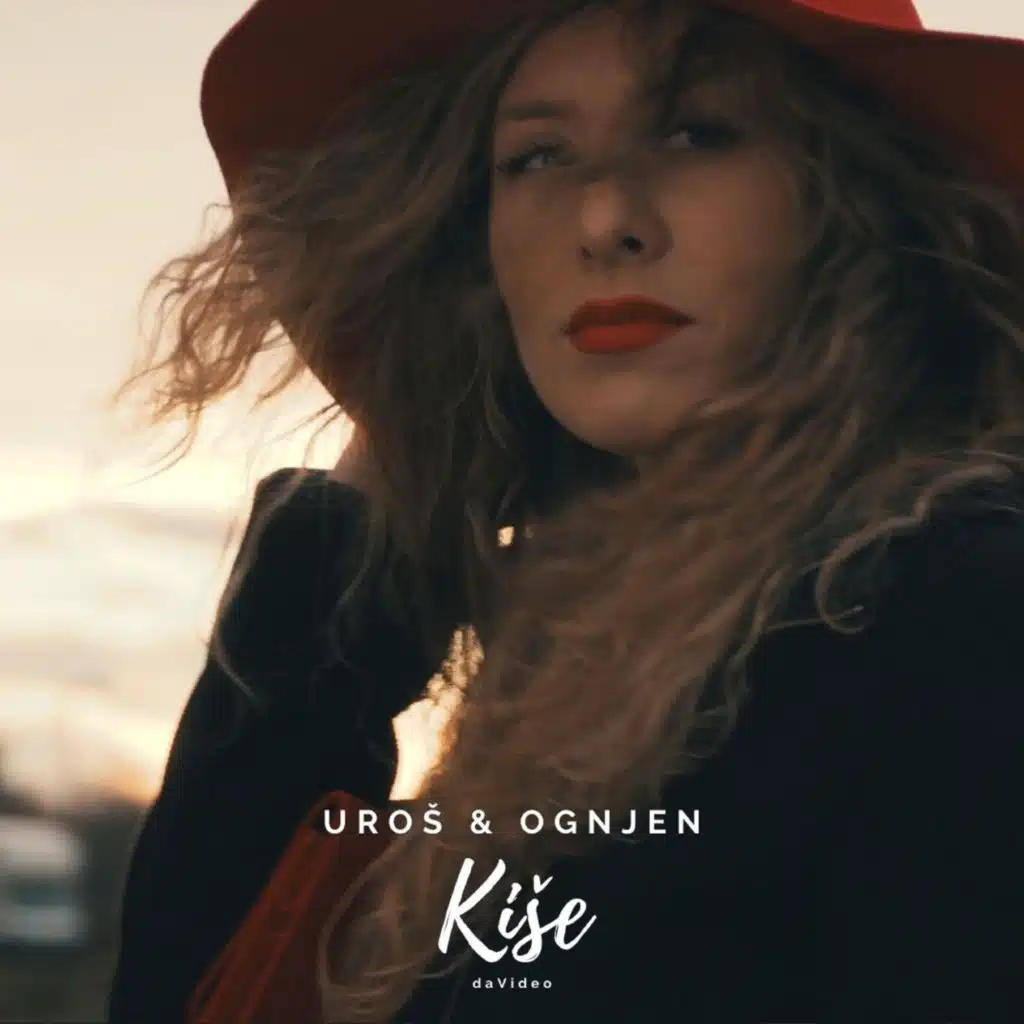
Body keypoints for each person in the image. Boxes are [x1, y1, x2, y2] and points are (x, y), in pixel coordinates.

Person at [106, 0, 1024, 1020]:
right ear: (471, 251)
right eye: (537, 158)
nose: (603, 220)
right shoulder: (586, 676)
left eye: (696, 134)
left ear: (867, 202)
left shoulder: (961, 614)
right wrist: (379, 499)